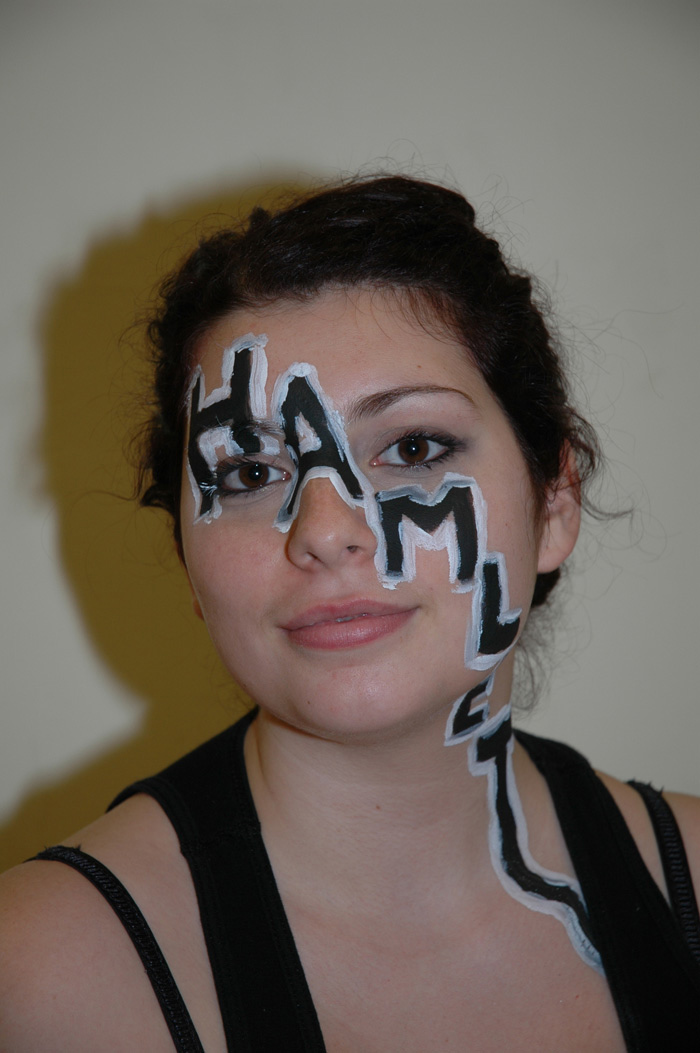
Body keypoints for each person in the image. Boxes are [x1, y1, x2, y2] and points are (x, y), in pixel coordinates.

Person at [1, 175, 699, 1052]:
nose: (326, 531)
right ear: (186, 555)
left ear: (554, 501)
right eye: (250, 473)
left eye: (412, 446)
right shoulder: (39, 976)